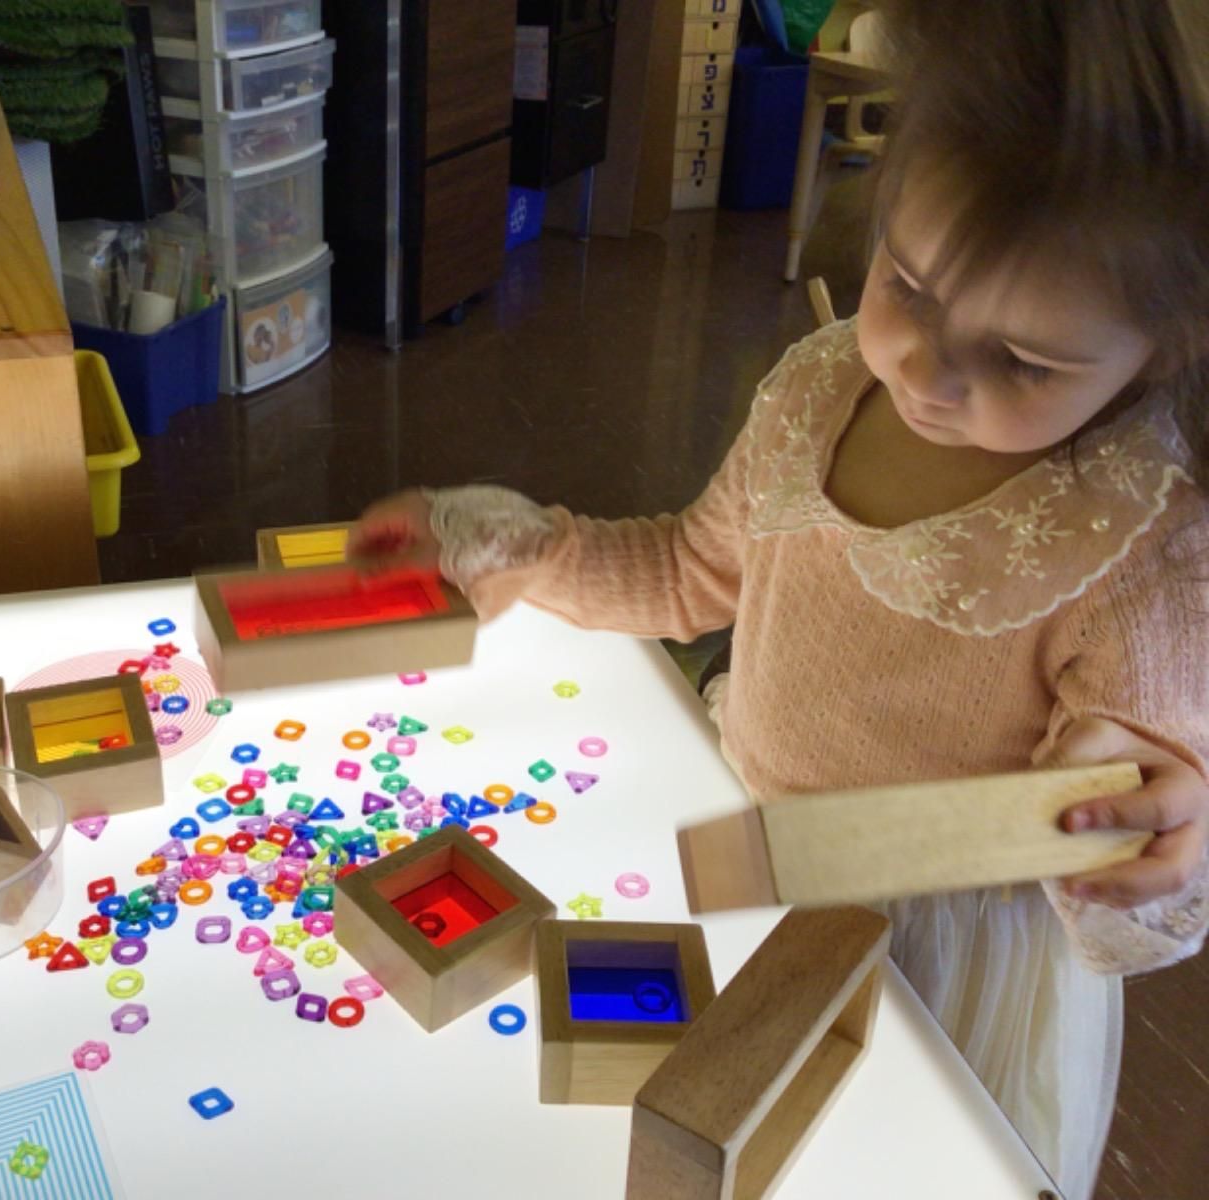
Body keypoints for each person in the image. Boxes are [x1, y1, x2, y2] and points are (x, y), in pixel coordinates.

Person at [346, 3, 1209, 1195]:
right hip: (747, 844)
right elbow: (688, 572)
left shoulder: (1140, 539)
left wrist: (1137, 800)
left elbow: (1148, 794)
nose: (926, 371)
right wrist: (527, 550)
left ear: (1160, 350)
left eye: (1022, 362)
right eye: (905, 285)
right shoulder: (820, 385)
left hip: (931, 948)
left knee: (876, 1162)